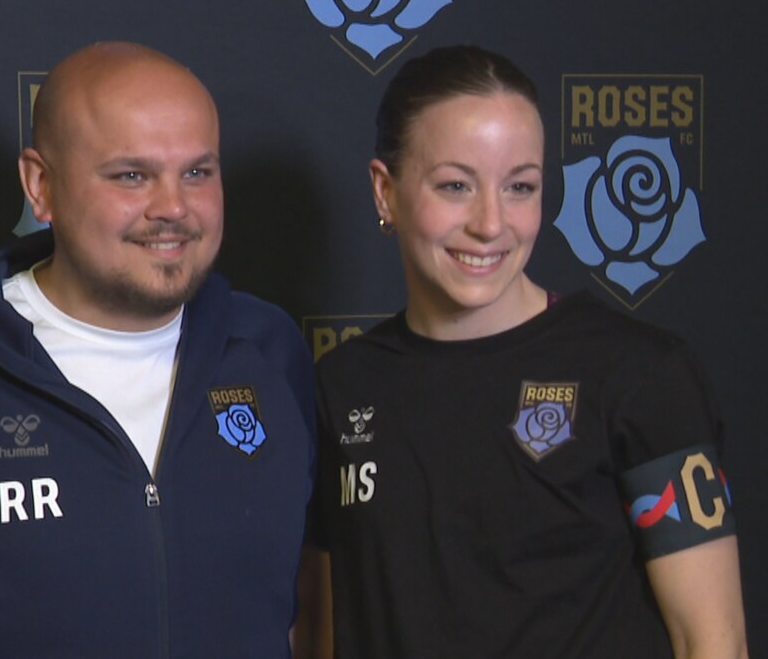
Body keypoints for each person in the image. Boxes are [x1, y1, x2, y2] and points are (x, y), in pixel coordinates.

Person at [0, 41, 316, 658]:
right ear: (41, 185)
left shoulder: (271, 350)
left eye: (197, 173)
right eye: (132, 175)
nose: (173, 207)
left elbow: (300, 607)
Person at [300, 45, 747, 658]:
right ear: (385, 191)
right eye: (455, 185)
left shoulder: (640, 373)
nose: (491, 223)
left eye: (520, 186)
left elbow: (713, 640)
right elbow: (326, 632)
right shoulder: (342, 385)